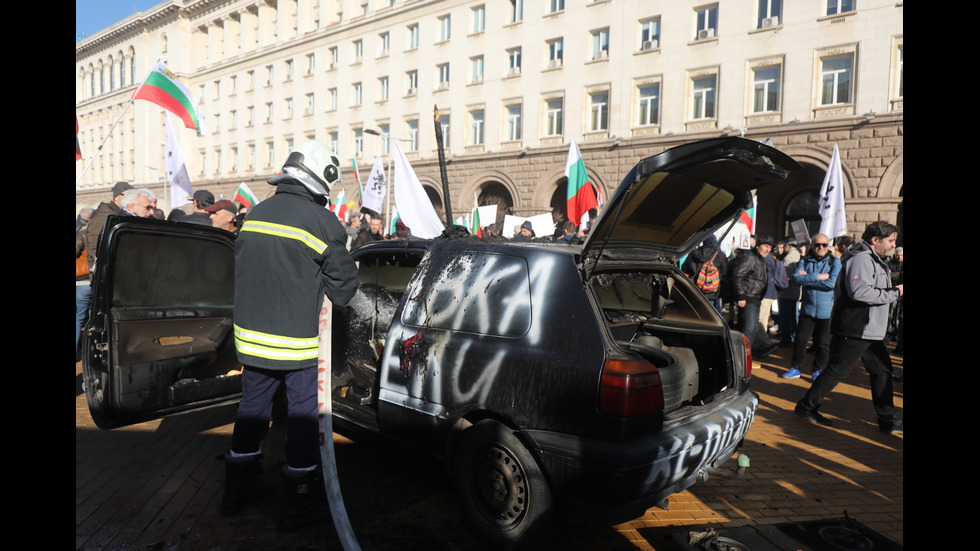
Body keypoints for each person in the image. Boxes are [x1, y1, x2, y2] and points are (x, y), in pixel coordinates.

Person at [223, 140, 359, 529]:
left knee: (252, 412)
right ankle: (297, 504)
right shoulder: (322, 222)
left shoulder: (256, 213)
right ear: (321, 182)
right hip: (295, 346)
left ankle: (236, 493)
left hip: (250, 341)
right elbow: (344, 290)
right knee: (301, 420)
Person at [795, 221, 904, 435]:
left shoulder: (871, 258)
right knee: (837, 370)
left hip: (868, 328)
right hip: (856, 327)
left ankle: (888, 419)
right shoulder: (862, 258)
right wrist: (896, 293)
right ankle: (806, 407)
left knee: (882, 370)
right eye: (890, 240)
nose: (893, 245)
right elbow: (860, 292)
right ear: (875, 240)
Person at [783, 234, 840, 380]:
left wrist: (807, 278)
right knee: (800, 340)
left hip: (826, 311)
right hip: (807, 309)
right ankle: (796, 368)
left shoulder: (835, 262)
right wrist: (819, 276)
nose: (820, 248)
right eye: (817, 245)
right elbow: (796, 278)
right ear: (812, 246)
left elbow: (831, 283)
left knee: (822, 343)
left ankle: (818, 370)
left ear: (829, 246)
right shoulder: (804, 260)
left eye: (824, 245)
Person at [731, 235, 773, 350]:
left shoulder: (760, 259)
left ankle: (744, 356)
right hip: (747, 298)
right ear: (758, 246)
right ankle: (741, 358)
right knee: (748, 330)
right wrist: (740, 296)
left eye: (770, 247)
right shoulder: (750, 257)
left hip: (755, 298)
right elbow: (737, 275)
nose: (768, 249)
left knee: (752, 329)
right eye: (765, 246)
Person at [86, 181, 133, 276]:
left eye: (133, 195)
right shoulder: (103, 217)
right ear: (116, 197)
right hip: (105, 276)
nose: (131, 199)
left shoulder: (122, 215)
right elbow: (95, 250)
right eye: (127, 195)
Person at [682, 234, 728, 314]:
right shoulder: (720, 254)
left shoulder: (694, 253)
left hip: (697, 289)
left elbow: (685, 268)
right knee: (714, 314)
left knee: (698, 313)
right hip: (714, 290)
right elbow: (725, 271)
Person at [776, 238, 802, 346]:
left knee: (786, 317)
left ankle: (787, 339)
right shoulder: (799, 256)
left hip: (787, 292)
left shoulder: (788, 258)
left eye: (785, 246)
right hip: (796, 292)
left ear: (790, 246)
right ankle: (793, 336)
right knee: (793, 316)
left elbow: (785, 278)